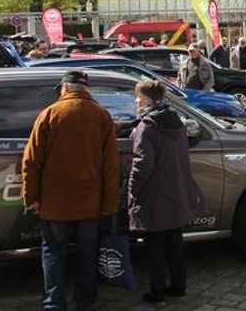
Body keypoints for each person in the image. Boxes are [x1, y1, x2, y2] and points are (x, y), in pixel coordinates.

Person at [21, 71, 119, 311]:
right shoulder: (101, 115)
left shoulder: (50, 113)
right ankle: (85, 300)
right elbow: (111, 165)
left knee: (53, 253)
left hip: (54, 201)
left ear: (64, 88)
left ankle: (54, 302)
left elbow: (31, 160)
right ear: (86, 89)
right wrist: (109, 205)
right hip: (90, 201)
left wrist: (31, 197)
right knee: (88, 253)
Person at [128, 79, 203, 304]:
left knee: (156, 248)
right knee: (174, 244)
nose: (136, 101)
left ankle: (157, 292)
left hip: (154, 193)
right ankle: (179, 286)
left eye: (138, 97)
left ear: (147, 99)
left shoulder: (147, 126)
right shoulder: (176, 121)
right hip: (175, 190)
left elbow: (142, 164)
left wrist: (133, 190)